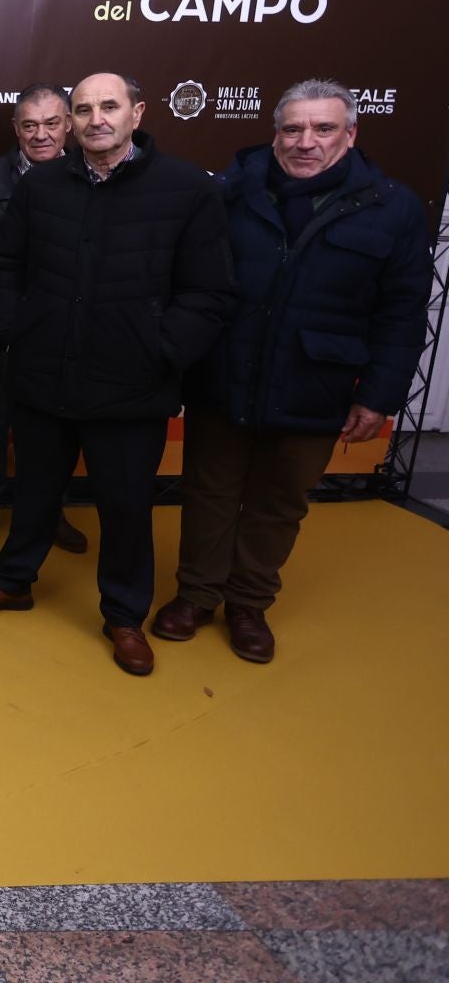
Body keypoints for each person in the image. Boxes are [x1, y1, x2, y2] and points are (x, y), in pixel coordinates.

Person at [0, 72, 235, 676]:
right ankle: (12, 581)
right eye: (83, 110)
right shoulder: (43, 185)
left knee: (126, 508)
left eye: (109, 106)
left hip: (133, 387)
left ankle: (124, 616)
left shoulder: (186, 189)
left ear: (137, 111)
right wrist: (13, 331)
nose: (95, 119)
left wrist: (161, 351)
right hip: (42, 376)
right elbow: (4, 267)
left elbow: (208, 292)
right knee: (32, 493)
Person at [159, 80, 430, 663]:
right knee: (208, 490)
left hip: (317, 381)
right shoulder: (229, 191)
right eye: (293, 128)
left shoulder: (395, 207)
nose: (306, 142)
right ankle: (197, 595)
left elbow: (402, 313)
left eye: (324, 129)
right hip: (223, 372)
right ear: (275, 132)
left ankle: (249, 603)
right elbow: (187, 283)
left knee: (280, 499)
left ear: (350, 134)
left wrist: (380, 395)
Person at [0, 84, 90, 556]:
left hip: (69, 330)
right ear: (16, 129)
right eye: (29, 125)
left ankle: (49, 512)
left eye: (51, 123)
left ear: (69, 125)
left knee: (59, 429)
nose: (40, 135)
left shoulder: (92, 177)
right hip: (6, 327)